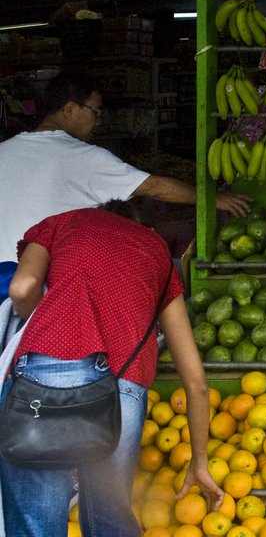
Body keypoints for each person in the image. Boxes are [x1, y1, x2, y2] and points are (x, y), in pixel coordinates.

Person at [1, 201, 224, 536]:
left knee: (37, 525)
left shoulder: (63, 223)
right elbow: (196, 382)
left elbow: (21, 288)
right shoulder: (155, 249)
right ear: (141, 226)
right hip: (122, 392)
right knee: (109, 521)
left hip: (44, 379)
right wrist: (200, 463)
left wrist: (42, 324)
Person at [0, 71, 251, 294]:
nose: (99, 121)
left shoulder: (4, 151)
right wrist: (213, 199)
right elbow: (155, 187)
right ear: (69, 109)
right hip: (45, 287)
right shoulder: (82, 157)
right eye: (96, 112)